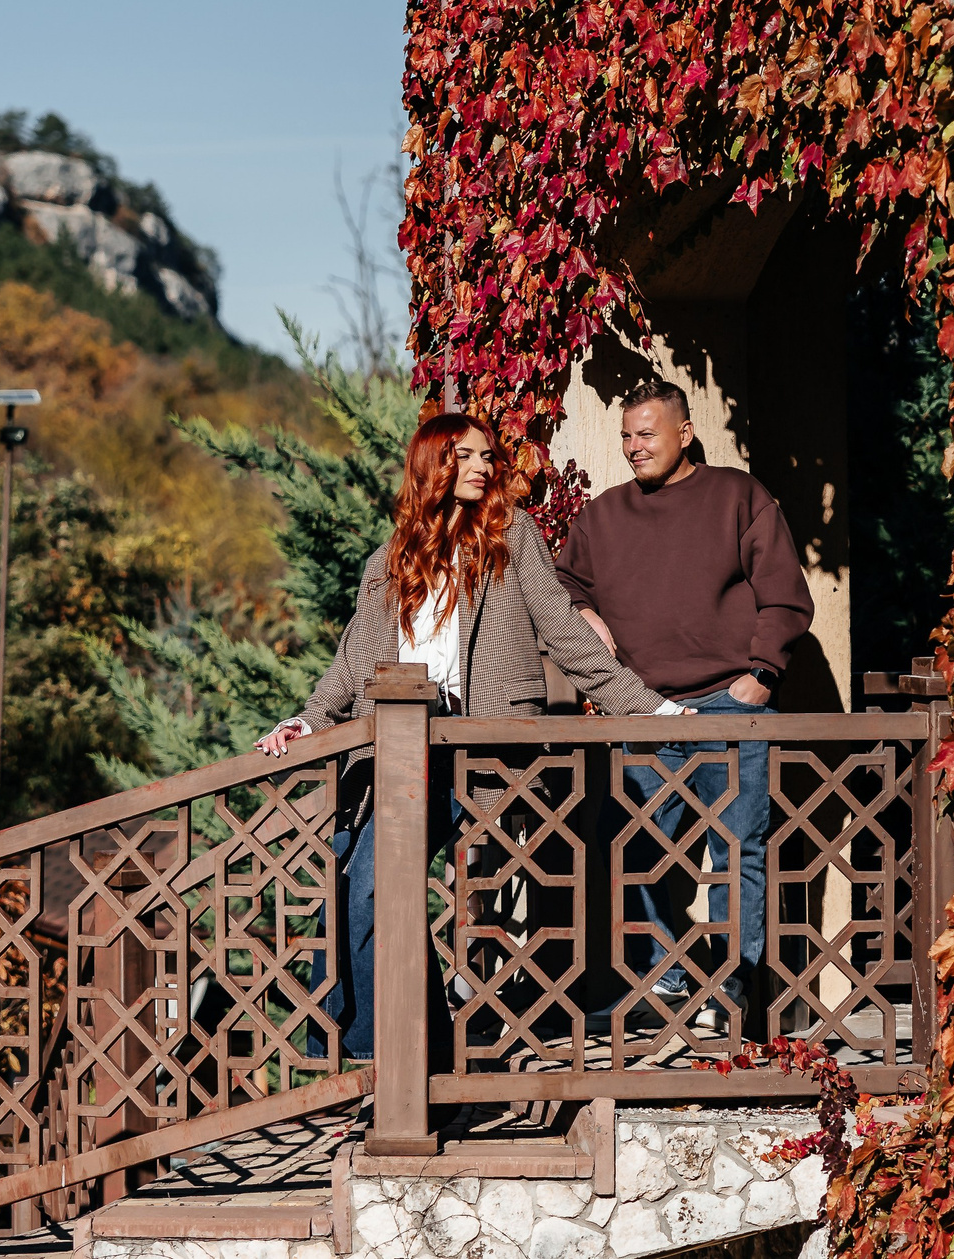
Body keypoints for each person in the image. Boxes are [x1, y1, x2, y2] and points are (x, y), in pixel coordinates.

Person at [255, 411, 668, 1060]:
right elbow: (347, 666)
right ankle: (402, 1058)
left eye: (486, 456)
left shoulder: (510, 535)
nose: (482, 466)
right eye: (467, 455)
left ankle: (385, 1064)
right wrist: (306, 721)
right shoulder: (386, 561)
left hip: (481, 753)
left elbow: (564, 631)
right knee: (361, 882)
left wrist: (648, 708)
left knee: (376, 882)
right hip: (396, 752)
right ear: (433, 464)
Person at [556, 379, 815, 1011]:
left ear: (684, 432)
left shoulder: (737, 495)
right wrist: (582, 611)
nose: (633, 447)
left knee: (736, 853)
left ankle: (732, 996)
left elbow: (785, 593)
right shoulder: (603, 515)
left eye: (646, 434)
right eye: (625, 436)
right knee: (633, 853)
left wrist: (761, 675)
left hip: (732, 704)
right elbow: (559, 583)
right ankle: (663, 982)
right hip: (644, 710)